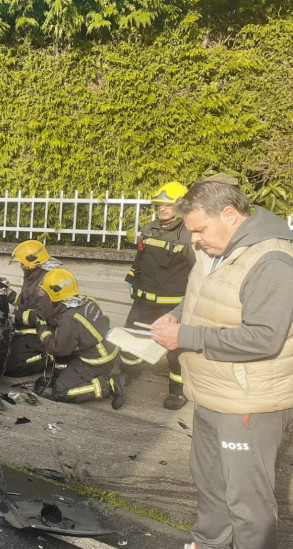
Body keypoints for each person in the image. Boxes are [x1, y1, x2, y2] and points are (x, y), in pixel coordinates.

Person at [151, 179, 293, 549]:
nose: (194, 239)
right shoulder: (216, 250)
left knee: (246, 499)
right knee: (210, 482)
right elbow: (202, 297)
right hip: (213, 392)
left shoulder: (272, 260)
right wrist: (176, 317)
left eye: (199, 229)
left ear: (229, 215)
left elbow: (264, 337)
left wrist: (186, 338)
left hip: (249, 401)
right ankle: (208, 544)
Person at [121, 181, 195, 409]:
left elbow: (197, 273)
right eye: (158, 205)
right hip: (144, 300)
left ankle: (178, 391)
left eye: (168, 205)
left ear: (182, 206)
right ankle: (128, 373)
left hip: (172, 307)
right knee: (131, 338)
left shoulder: (189, 235)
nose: (162, 209)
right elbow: (140, 259)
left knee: (175, 352)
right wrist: (133, 279)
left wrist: (188, 305)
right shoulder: (149, 228)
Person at [33, 268, 126, 409]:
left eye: (45, 292)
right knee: (62, 364)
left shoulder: (69, 321)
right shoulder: (88, 301)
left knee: (60, 391)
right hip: (106, 350)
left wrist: (42, 329)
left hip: (96, 361)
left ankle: (106, 385)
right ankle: (64, 376)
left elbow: (58, 349)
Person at [4, 240, 63, 376]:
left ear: (34, 263)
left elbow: (42, 316)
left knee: (12, 366)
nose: (21, 266)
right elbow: (27, 302)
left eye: (23, 263)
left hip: (45, 331)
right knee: (0, 356)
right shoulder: (33, 275)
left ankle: (50, 356)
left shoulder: (49, 281)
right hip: (28, 328)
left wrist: (15, 317)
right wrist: (9, 295)